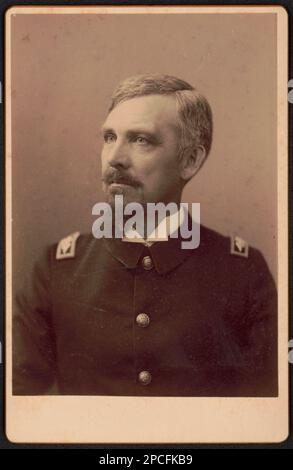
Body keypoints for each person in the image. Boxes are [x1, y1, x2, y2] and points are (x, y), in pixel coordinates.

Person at [13, 74, 278, 396]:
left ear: (190, 161)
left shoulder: (242, 273)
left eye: (141, 140)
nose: (114, 158)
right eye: (109, 137)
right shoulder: (56, 269)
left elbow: (265, 418)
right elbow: (16, 409)